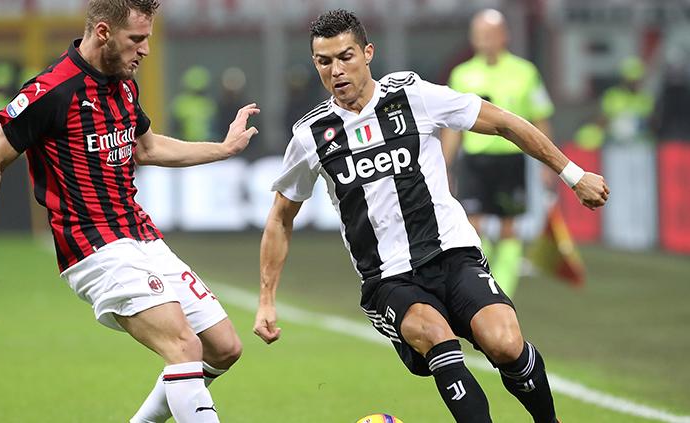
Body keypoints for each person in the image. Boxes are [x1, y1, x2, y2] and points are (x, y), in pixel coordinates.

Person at [253, 9, 608, 423]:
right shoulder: (310, 135)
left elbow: (505, 123)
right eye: (324, 61)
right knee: (438, 338)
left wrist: (573, 173)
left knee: (506, 343)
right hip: (389, 279)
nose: (337, 70)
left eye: (346, 56)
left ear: (368, 53)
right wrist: (265, 300)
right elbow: (281, 217)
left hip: (453, 253)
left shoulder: (412, 95)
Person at [0, 1, 260, 422]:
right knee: (183, 346)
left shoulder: (124, 83)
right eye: (137, 39)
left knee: (224, 347)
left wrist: (222, 148)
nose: (145, 49)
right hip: (93, 247)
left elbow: (147, 147)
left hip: (141, 235)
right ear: (104, 32)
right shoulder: (50, 91)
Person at [441, 9, 555, 298]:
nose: (484, 41)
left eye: (489, 35)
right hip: (475, 161)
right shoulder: (462, 74)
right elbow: (453, 127)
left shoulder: (525, 72)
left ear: (504, 35)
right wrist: (445, 164)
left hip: (510, 159)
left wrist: (547, 163)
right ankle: (481, 283)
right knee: (473, 224)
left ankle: (505, 288)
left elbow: (540, 116)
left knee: (508, 227)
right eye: (478, 35)